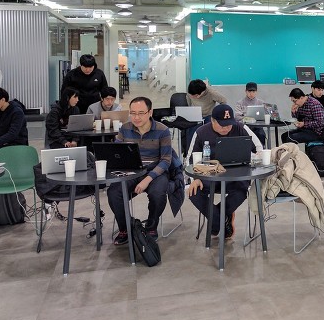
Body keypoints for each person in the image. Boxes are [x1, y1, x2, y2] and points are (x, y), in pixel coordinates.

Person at [187, 104, 262, 240]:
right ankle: (221, 220)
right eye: (222, 125)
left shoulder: (240, 128)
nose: (226, 128)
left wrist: (250, 156)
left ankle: (215, 223)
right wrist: (195, 179)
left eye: (229, 124)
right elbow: (190, 159)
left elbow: (259, 149)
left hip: (236, 177)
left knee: (241, 191)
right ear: (212, 120)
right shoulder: (201, 132)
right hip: (209, 175)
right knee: (194, 192)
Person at [108, 96, 173, 244]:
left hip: (156, 171)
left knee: (158, 193)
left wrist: (147, 179)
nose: (136, 117)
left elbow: (166, 160)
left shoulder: (162, 130)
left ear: (150, 112)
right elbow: (116, 152)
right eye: (133, 113)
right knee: (114, 192)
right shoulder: (125, 128)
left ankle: (151, 226)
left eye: (141, 113)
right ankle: (125, 228)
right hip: (132, 170)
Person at [0, 87, 28, 151]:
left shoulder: (17, 112)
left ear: (3, 100)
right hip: (2, 144)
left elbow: (12, 134)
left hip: (17, 145)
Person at [233, 81, 266, 146]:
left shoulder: (261, 103)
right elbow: (237, 116)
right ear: (246, 91)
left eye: (253, 91)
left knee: (261, 134)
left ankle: (261, 149)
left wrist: (244, 115)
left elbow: (265, 115)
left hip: (257, 127)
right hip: (245, 126)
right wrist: (247, 118)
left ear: (256, 92)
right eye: (249, 91)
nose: (251, 94)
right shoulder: (240, 103)